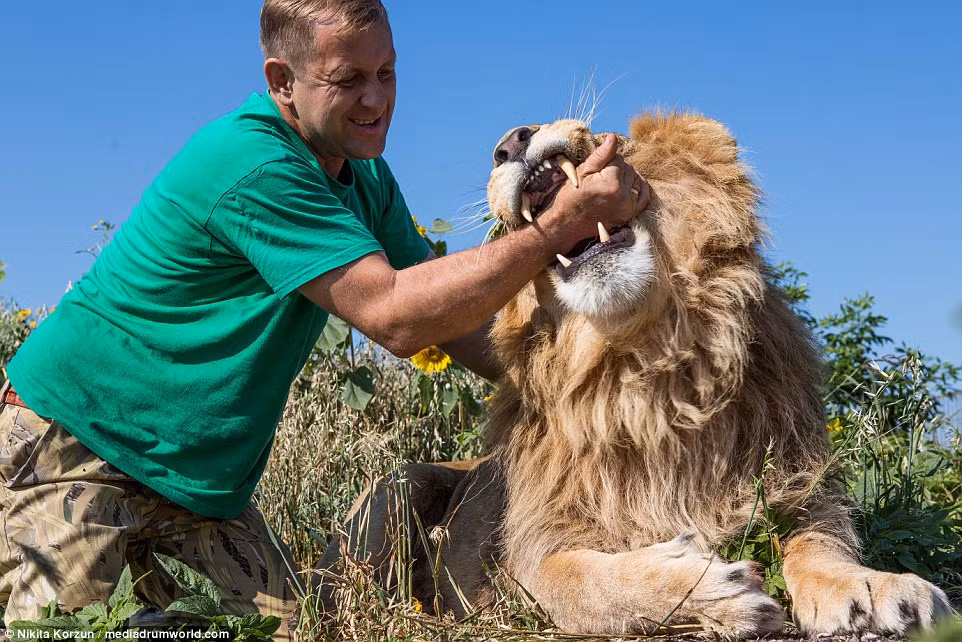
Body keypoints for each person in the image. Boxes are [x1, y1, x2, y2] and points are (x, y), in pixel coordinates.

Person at [0, 0, 648, 638]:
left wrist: (595, 388)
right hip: (71, 448)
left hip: (195, 487)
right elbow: (397, 318)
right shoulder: (254, 163)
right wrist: (559, 225)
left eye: (387, 73)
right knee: (61, 634)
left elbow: (454, 324)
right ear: (282, 82)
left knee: (312, 630)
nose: (376, 101)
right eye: (348, 81)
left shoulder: (365, 176)